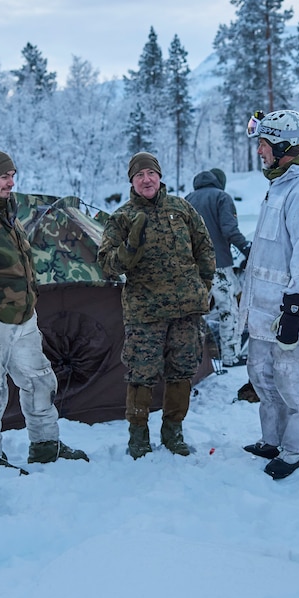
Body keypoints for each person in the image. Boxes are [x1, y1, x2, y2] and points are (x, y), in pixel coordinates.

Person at [0, 148, 88, 473]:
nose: (11, 182)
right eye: (4, 176)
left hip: (24, 319)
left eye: (13, 175)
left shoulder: (6, 211)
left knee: (41, 382)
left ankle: (45, 445)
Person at [237, 110, 299, 480]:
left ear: (283, 147)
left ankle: (298, 449)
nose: (259, 150)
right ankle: (272, 439)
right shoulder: (280, 183)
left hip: (290, 308)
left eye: (263, 144)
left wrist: (295, 307)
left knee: (292, 379)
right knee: (262, 374)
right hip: (263, 309)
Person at [98, 152, 215, 459]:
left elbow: (204, 246)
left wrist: (204, 286)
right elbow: (107, 265)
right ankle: (138, 435)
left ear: (160, 177)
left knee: (182, 371)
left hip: (186, 310)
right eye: (139, 176)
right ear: (132, 182)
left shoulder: (181, 208)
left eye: (151, 173)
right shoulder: (121, 218)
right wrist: (130, 248)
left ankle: (173, 431)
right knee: (141, 373)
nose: (146, 180)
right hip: (145, 312)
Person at [185, 169, 250, 367]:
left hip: (193, 267)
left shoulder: (187, 199)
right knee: (227, 310)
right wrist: (247, 248)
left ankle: (194, 359)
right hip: (218, 265)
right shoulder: (222, 197)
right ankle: (230, 356)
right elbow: (230, 229)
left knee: (196, 314)